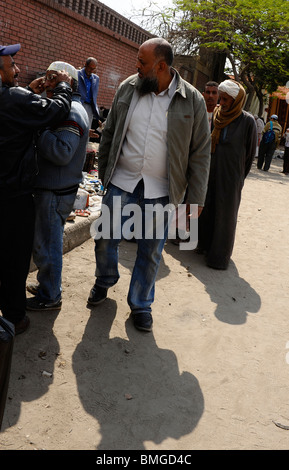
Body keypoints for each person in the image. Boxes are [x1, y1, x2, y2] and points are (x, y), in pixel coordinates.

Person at [87, 37, 211, 332]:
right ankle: (105, 280)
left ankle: (141, 304)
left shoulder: (192, 100)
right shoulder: (128, 88)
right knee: (104, 239)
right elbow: (111, 132)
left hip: (161, 189)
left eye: (142, 62)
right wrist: (105, 173)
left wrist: (196, 198)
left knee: (151, 250)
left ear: (162, 66)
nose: (137, 67)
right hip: (121, 181)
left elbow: (201, 153)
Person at [0, 43, 72, 335]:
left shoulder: (15, 98)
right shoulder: (14, 98)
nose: (17, 70)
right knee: (15, 260)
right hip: (13, 198)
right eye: (12, 65)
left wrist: (28, 92)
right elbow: (54, 113)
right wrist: (64, 88)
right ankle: (16, 317)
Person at [26, 62, 89, 312]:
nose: (48, 82)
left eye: (54, 78)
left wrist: (38, 129)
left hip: (55, 192)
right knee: (44, 244)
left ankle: (50, 296)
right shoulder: (61, 108)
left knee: (49, 246)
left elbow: (62, 152)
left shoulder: (71, 111)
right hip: (52, 190)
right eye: (47, 77)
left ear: (68, 82)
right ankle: (47, 287)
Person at [197, 79, 257, 270]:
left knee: (225, 216)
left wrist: (238, 177)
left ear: (236, 100)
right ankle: (204, 246)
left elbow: (249, 156)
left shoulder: (247, 121)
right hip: (210, 172)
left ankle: (218, 258)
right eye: (220, 99)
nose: (220, 103)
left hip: (231, 177)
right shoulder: (216, 115)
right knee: (208, 209)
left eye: (224, 100)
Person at [78, 57, 100, 128]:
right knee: (77, 126)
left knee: (87, 129)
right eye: (90, 68)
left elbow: (94, 95)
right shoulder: (77, 74)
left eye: (93, 69)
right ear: (85, 64)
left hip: (89, 107)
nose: (91, 71)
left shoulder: (96, 78)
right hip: (79, 104)